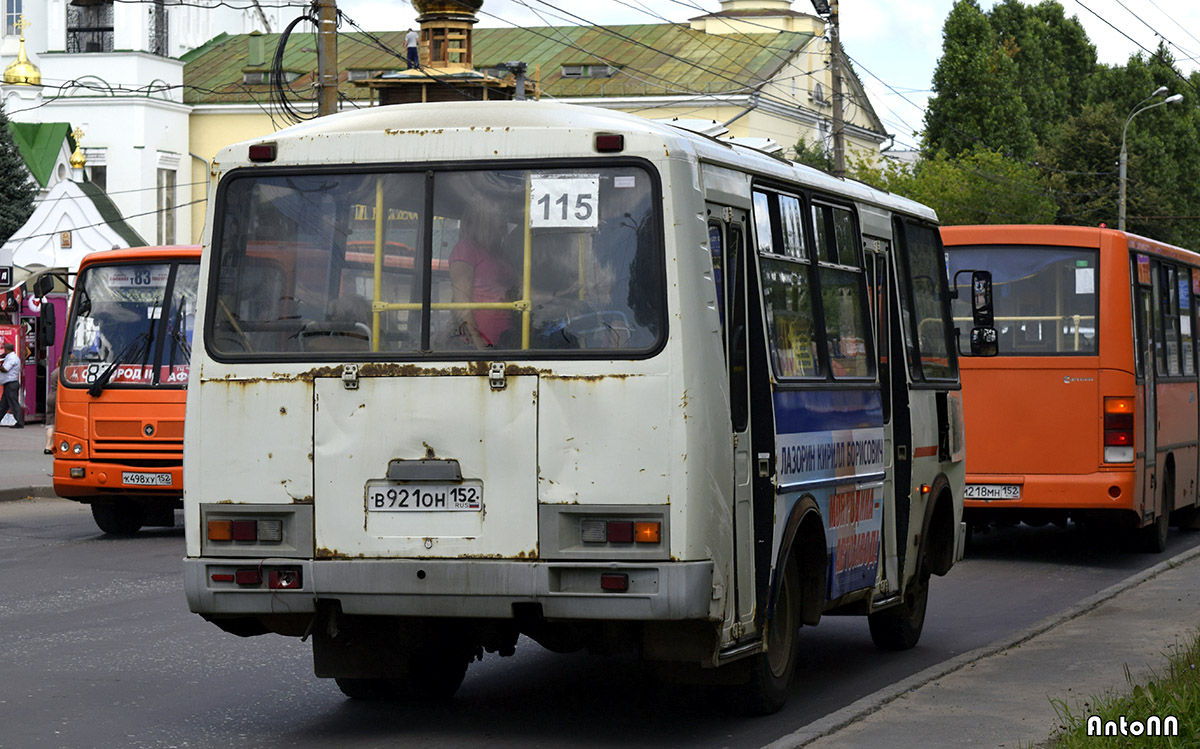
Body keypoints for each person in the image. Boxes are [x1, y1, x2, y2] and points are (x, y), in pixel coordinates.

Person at [449, 204, 515, 349]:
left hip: (508, 336)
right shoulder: (466, 248)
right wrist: (478, 343)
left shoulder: (498, 252)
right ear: (482, 219)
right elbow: (461, 302)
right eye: (499, 215)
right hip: (484, 339)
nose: (505, 220)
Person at [0, 342, 23, 429]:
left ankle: (19, 422)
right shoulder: (10, 357)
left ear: (7, 349)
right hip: (9, 384)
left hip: (11, 384)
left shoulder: (12, 358)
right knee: (4, 404)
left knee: (13, 403)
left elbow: (5, 369)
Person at [43, 368, 57, 454]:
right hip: (61, 397)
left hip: (51, 396)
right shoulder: (66, 371)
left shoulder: (53, 372)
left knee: (50, 423)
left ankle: (48, 446)